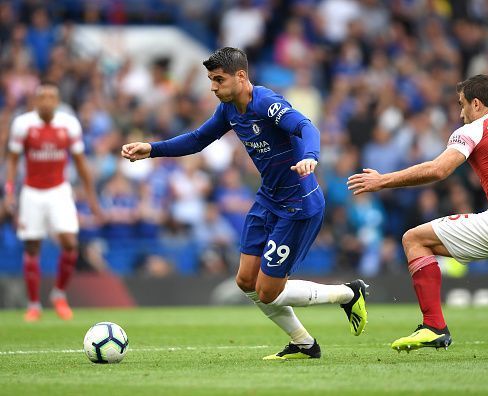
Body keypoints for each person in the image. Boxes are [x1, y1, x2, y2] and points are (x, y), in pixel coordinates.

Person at [122, 47, 368, 360]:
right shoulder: (228, 110)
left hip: (298, 203)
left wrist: (310, 157)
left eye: (219, 79)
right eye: (211, 80)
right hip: (269, 198)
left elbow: (307, 127)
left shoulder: (266, 102)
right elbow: (198, 139)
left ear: (241, 76)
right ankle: (303, 343)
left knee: (268, 291)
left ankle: (348, 293)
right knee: (245, 280)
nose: (213, 86)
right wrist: (152, 148)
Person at [347, 74, 488, 358]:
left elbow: (439, 170)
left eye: (462, 104)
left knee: (414, 240)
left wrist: (383, 180)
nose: (460, 112)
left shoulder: (474, 129)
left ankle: (434, 326)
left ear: (476, 103)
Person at [4, 83, 102, 322]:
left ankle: (58, 294)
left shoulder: (68, 124)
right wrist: (9, 191)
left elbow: (80, 162)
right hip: (32, 192)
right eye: (42, 96)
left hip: (59, 190)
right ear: (36, 101)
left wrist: (91, 197)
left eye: (51, 97)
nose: (47, 101)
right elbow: (13, 160)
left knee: (70, 243)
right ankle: (34, 305)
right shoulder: (23, 124)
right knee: (32, 246)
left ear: (57, 101)